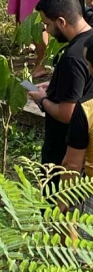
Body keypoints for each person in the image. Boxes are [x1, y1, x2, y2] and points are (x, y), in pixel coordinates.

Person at [29, 0, 93, 180]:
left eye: (47, 24)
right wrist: (56, 85)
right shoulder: (89, 44)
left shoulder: (73, 58)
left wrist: (42, 100)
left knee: (55, 206)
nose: (46, 30)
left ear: (61, 22)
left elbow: (67, 113)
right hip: (87, 149)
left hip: (65, 150)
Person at [58, 41, 93, 241]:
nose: (87, 68)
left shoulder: (86, 107)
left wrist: (62, 204)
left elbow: (71, 163)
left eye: (89, 63)